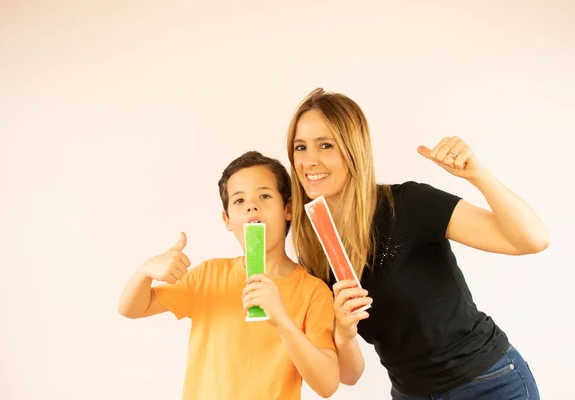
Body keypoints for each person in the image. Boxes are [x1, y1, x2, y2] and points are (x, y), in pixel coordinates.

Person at [285, 88, 548, 399]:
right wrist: (343, 332)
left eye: (325, 145)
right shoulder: (314, 248)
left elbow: (533, 240)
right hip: (411, 393)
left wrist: (477, 175)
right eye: (300, 147)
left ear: (353, 150)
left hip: (487, 383)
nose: (309, 161)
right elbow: (349, 375)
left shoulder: (408, 204)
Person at [117, 151, 340, 399]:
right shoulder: (208, 277)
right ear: (227, 220)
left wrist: (282, 321)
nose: (251, 206)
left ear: (287, 209)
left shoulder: (313, 292)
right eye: (239, 201)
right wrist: (145, 272)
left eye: (264, 196)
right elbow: (132, 308)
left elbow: (328, 384)